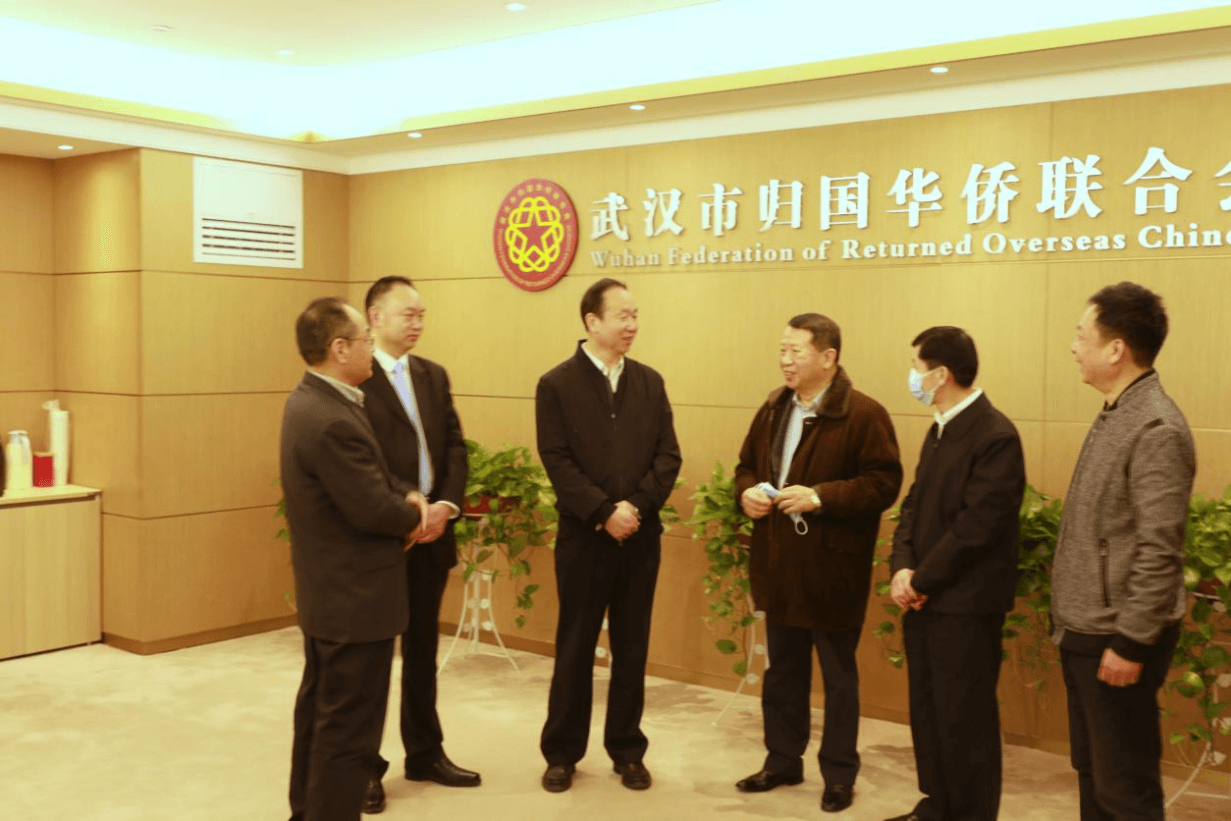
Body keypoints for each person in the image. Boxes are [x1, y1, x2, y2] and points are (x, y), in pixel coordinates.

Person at [734, 313, 902, 814]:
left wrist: (821, 497)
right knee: (782, 672)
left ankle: (839, 774)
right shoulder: (773, 407)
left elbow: (883, 483)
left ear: (828, 357)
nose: (785, 360)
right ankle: (782, 761)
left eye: (796, 352)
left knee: (838, 678)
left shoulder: (864, 414)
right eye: (781, 350)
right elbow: (746, 466)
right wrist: (748, 494)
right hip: (779, 563)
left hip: (833, 569)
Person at [280, 297, 428, 821]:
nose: (372, 347)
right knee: (348, 735)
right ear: (339, 348)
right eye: (366, 338)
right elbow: (371, 508)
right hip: (355, 603)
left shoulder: (313, 400)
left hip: (332, 598)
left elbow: (373, 478)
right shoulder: (329, 417)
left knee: (321, 718)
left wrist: (404, 494)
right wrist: (416, 516)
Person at [1052, 281, 1195, 821]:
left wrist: (1131, 642)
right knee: (1096, 775)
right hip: (1086, 630)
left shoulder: (1156, 426)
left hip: (1117, 638)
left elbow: (1160, 550)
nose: (1073, 346)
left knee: (1125, 790)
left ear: (1116, 349)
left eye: (1081, 335)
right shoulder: (1118, 410)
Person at [536, 277, 681, 793]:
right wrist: (602, 512)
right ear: (592, 321)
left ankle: (627, 750)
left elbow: (668, 456)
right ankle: (561, 753)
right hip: (584, 537)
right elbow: (556, 459)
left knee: (632, 646)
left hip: (640, 536)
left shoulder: (650, 382)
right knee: (575, 646)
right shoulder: (556, 384)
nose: (632, 324)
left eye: (635, 315)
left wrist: (635, 508)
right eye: (622, 315)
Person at [885, 326, 1025, 821]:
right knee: (929, 712)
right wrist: (902, 567)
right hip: (925, 599)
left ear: (940, 374)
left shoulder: (995, 435)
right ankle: (937, 805)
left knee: (966, 720)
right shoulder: (939, 428)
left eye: (916, 367)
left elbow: (976, 528)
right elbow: (914, 505)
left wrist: (921, 581)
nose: (912, 377)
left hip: (966, 606)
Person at [358, 277, 478, 814]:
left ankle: (425, 753)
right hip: (387, 538)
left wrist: (446, 506)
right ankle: (365, 766)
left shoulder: (433, 374)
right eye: (408, 313)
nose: (418, 323)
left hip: (433, 536)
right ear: (374, 316)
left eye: (422, 314)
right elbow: (362, 465)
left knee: (424, 652)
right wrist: (409, 511)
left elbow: (454, 446)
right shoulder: (357, 378)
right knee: (373, 659)